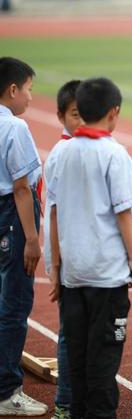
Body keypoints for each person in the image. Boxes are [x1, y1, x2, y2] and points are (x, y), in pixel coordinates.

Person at [47, 77, 132, 419]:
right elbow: (123, 212)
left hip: (73, 271)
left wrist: (55, 267)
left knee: (78, 353)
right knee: (104, 355)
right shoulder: (114, 154)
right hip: (106, 274)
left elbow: (54, 213)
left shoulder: (61, 152)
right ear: (114, 113)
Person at [0, 56, 47, 417]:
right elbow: (20, 188)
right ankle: (6, 391)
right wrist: (31, 237)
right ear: (12, 90)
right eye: (29, 89)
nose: (31, 97)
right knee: (14, 303)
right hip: (11, 216)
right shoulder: (14, 128)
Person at [43, 79, 83, 419]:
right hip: (70, 260)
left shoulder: (100, 151)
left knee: (95, 332)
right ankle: (67, 402)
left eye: (87, 114)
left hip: (91, 260)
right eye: (74, 115)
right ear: (60, 116)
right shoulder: (61, 156)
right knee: (72, 332)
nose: (81, 121)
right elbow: (55, 215)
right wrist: (56, 267)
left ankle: (86, 398)